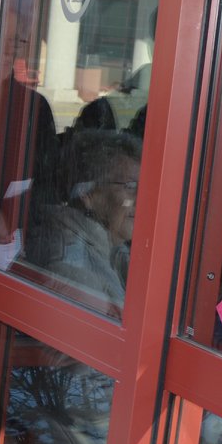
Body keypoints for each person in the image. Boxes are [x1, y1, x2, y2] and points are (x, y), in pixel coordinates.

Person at [23, 129, 141, 317]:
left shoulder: (116, 253)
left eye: (144, 186)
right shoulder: (72, 270)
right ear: (88, 193)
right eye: (130, 186)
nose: (141, 198)